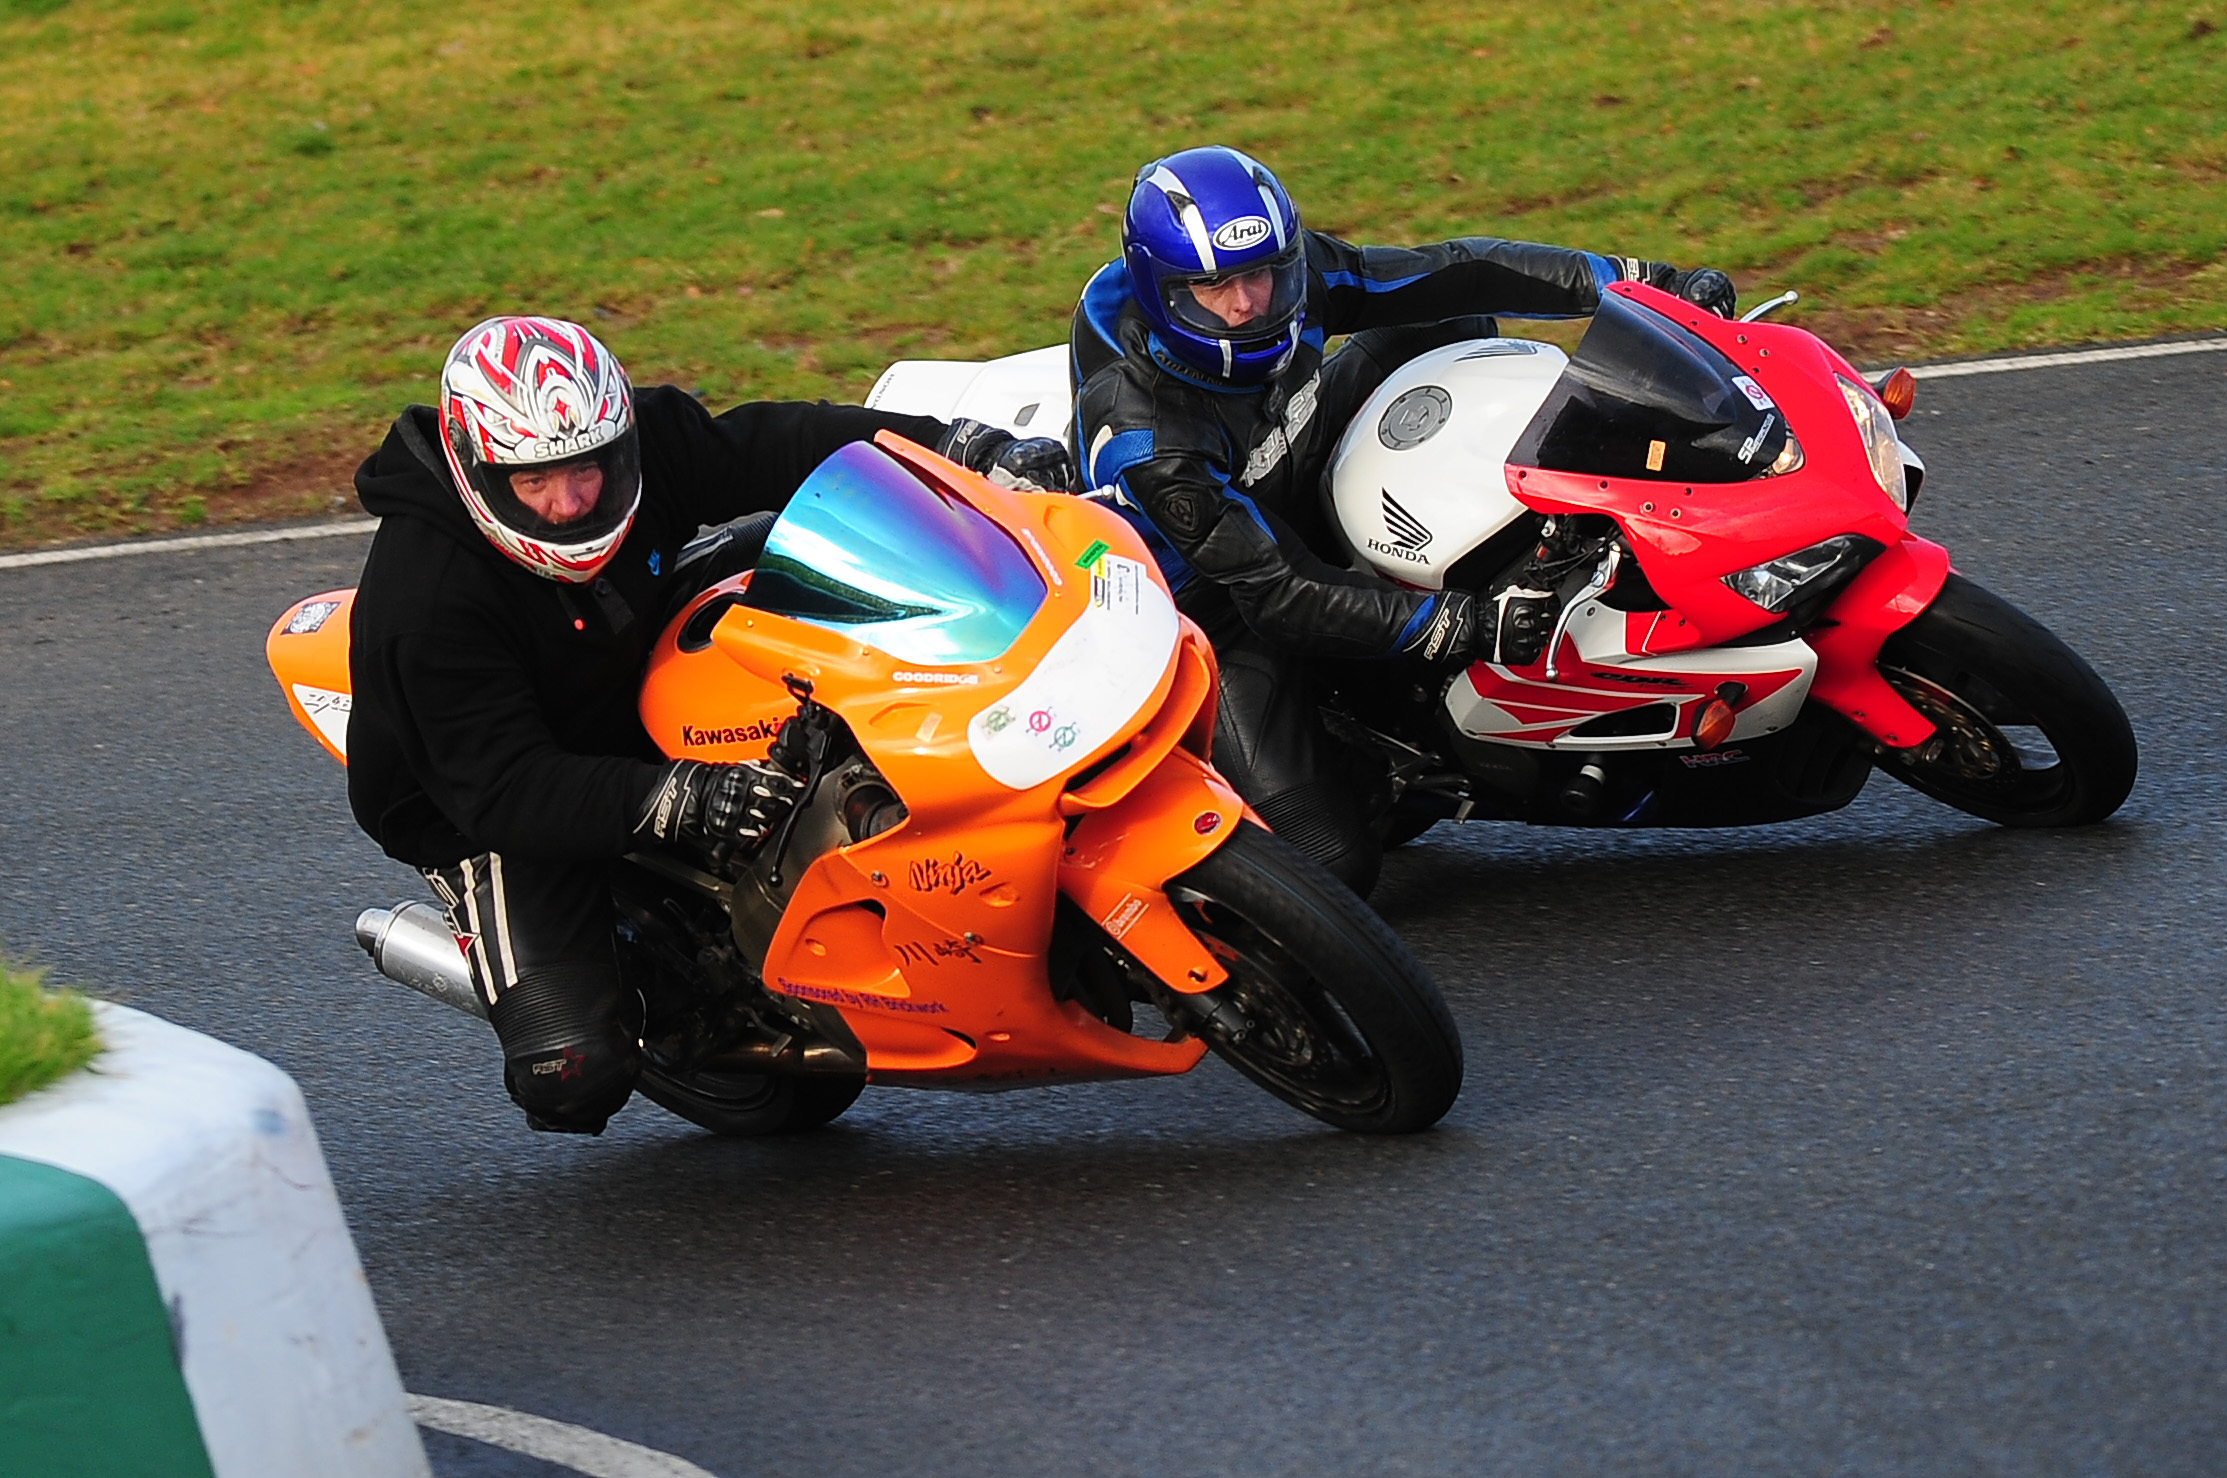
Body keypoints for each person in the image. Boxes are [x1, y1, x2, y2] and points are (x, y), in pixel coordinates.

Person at [348, 315, 1069, 1134]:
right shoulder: (426, 603)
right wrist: (677, 797)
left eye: (588, 468)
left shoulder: (640, 443)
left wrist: (959, 445)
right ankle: (548, 980)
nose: (572, 500)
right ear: (479, 468)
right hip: (485, 799)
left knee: (801, 545)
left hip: (626, 661)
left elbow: (778, 441)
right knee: (573, 1071)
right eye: (536, 483)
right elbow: (504, 789)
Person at [1069, 146, 1737, 895]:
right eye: (1212, 287)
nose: (1247, 304)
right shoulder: (1143, 430)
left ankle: (1529, 521)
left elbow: (1455, 269)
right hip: (1212, 600)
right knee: (1330, 865)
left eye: (1261, 273)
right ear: (1160, 292)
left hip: (1284, 458)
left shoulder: (1293, 277)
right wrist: (1463, 623)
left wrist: (1642, 284)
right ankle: (1356, 751)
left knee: (1449, 320)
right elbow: (1277, 592)